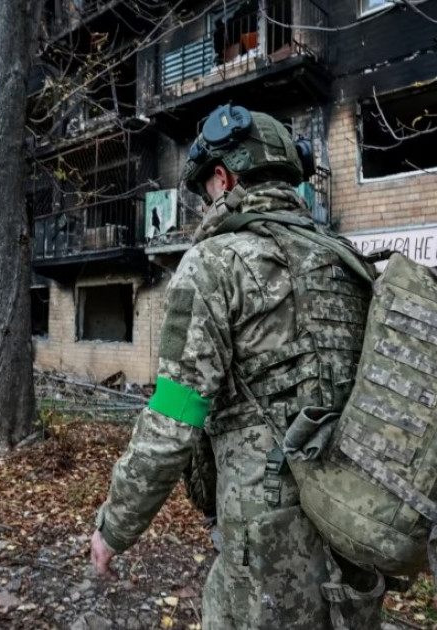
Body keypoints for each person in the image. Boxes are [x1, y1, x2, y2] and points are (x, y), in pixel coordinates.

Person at [89, 105, 383, 628]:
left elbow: (174, 416)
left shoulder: (214, 264)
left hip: (268, 539)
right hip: (354, 519)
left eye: (205, 190)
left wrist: (115, 525)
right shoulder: (345, 261)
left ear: (222, 178)